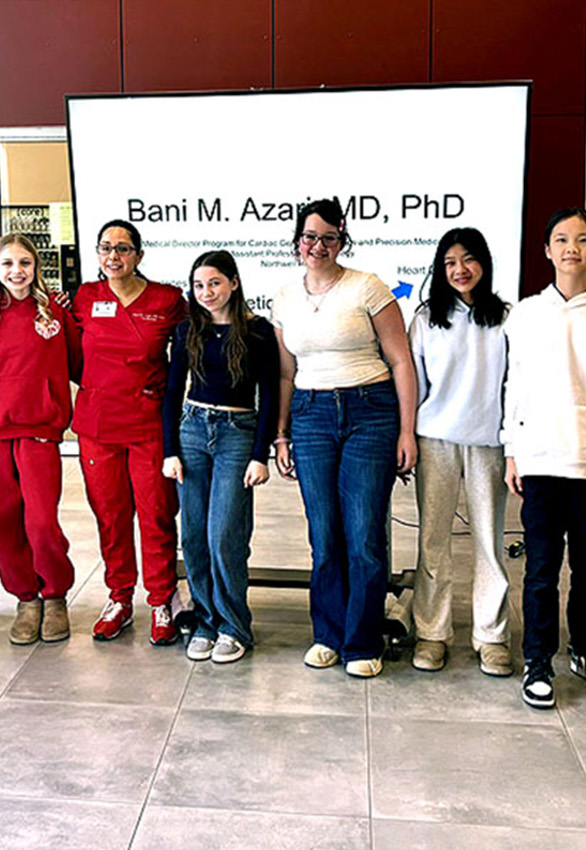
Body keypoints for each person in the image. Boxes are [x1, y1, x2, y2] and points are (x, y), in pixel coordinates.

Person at [273, 198, 420, 679]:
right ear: (297, 242)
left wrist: (406, 430)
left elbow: (400, 360)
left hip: (369, 413)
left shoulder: (367, 287)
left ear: (342, 241)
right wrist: (281, 435)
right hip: (310, 417)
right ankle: (328, 635)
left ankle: (362, 641)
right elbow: (285, 374)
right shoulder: (284, 299)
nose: (318, 246)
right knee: (324, 536)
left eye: (329, 238)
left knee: (364, 537)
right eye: (310, 237)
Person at [503, 208, 586, 710]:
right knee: (541, 570)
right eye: (561, 239)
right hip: (539, 462)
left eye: (581, 240)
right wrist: (512, 451)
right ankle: (538, 660)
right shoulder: (526, 314)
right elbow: (515, 387)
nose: (571, 249)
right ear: (547, 250)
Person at [72, 220, 187, 644]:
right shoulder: (86, 297)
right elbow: (70, 353)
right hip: (98, 423)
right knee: (110, 514)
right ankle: (119, 597)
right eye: (106, 248)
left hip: (148, 424)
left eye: (122, 248)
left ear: (139, 254)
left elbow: (188, 354)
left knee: (156, 513)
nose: (113, 256)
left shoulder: (167, 299)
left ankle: (161, 600)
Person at [405, 228, 514, 676]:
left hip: (489, 442)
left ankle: (492, 636)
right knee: (433, 540)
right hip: (436, 441)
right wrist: (406, 438)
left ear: (483, 263)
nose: (460, 270)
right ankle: (432, 632)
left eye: (468, 259)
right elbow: (414, 385)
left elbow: (514, 386)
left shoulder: (506, 318)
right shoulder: (426, 319)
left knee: (489, 540)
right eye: (450, 262)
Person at [161, 250, 278, 664]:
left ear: (233, 283)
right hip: (192, 431)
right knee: (193, 536)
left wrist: (260, 454)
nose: (206, 292)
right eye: (198, 285)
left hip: (237, 434)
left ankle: (233, 626)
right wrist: (170, 450)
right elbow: (172, 391)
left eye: (214, 283)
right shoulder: (187, 329)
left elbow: (270, 394)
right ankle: (206, 621)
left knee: (224, 535)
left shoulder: (258, 331)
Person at [0, 234, 83, 645]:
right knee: (0, 520)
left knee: (40, 521)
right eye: (7, 264)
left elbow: (81, 363)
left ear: (36, 267)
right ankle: (26, 597)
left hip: (39, 427)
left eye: (25, 263)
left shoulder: (54, 311)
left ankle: (54, 595)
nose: (17, 271)